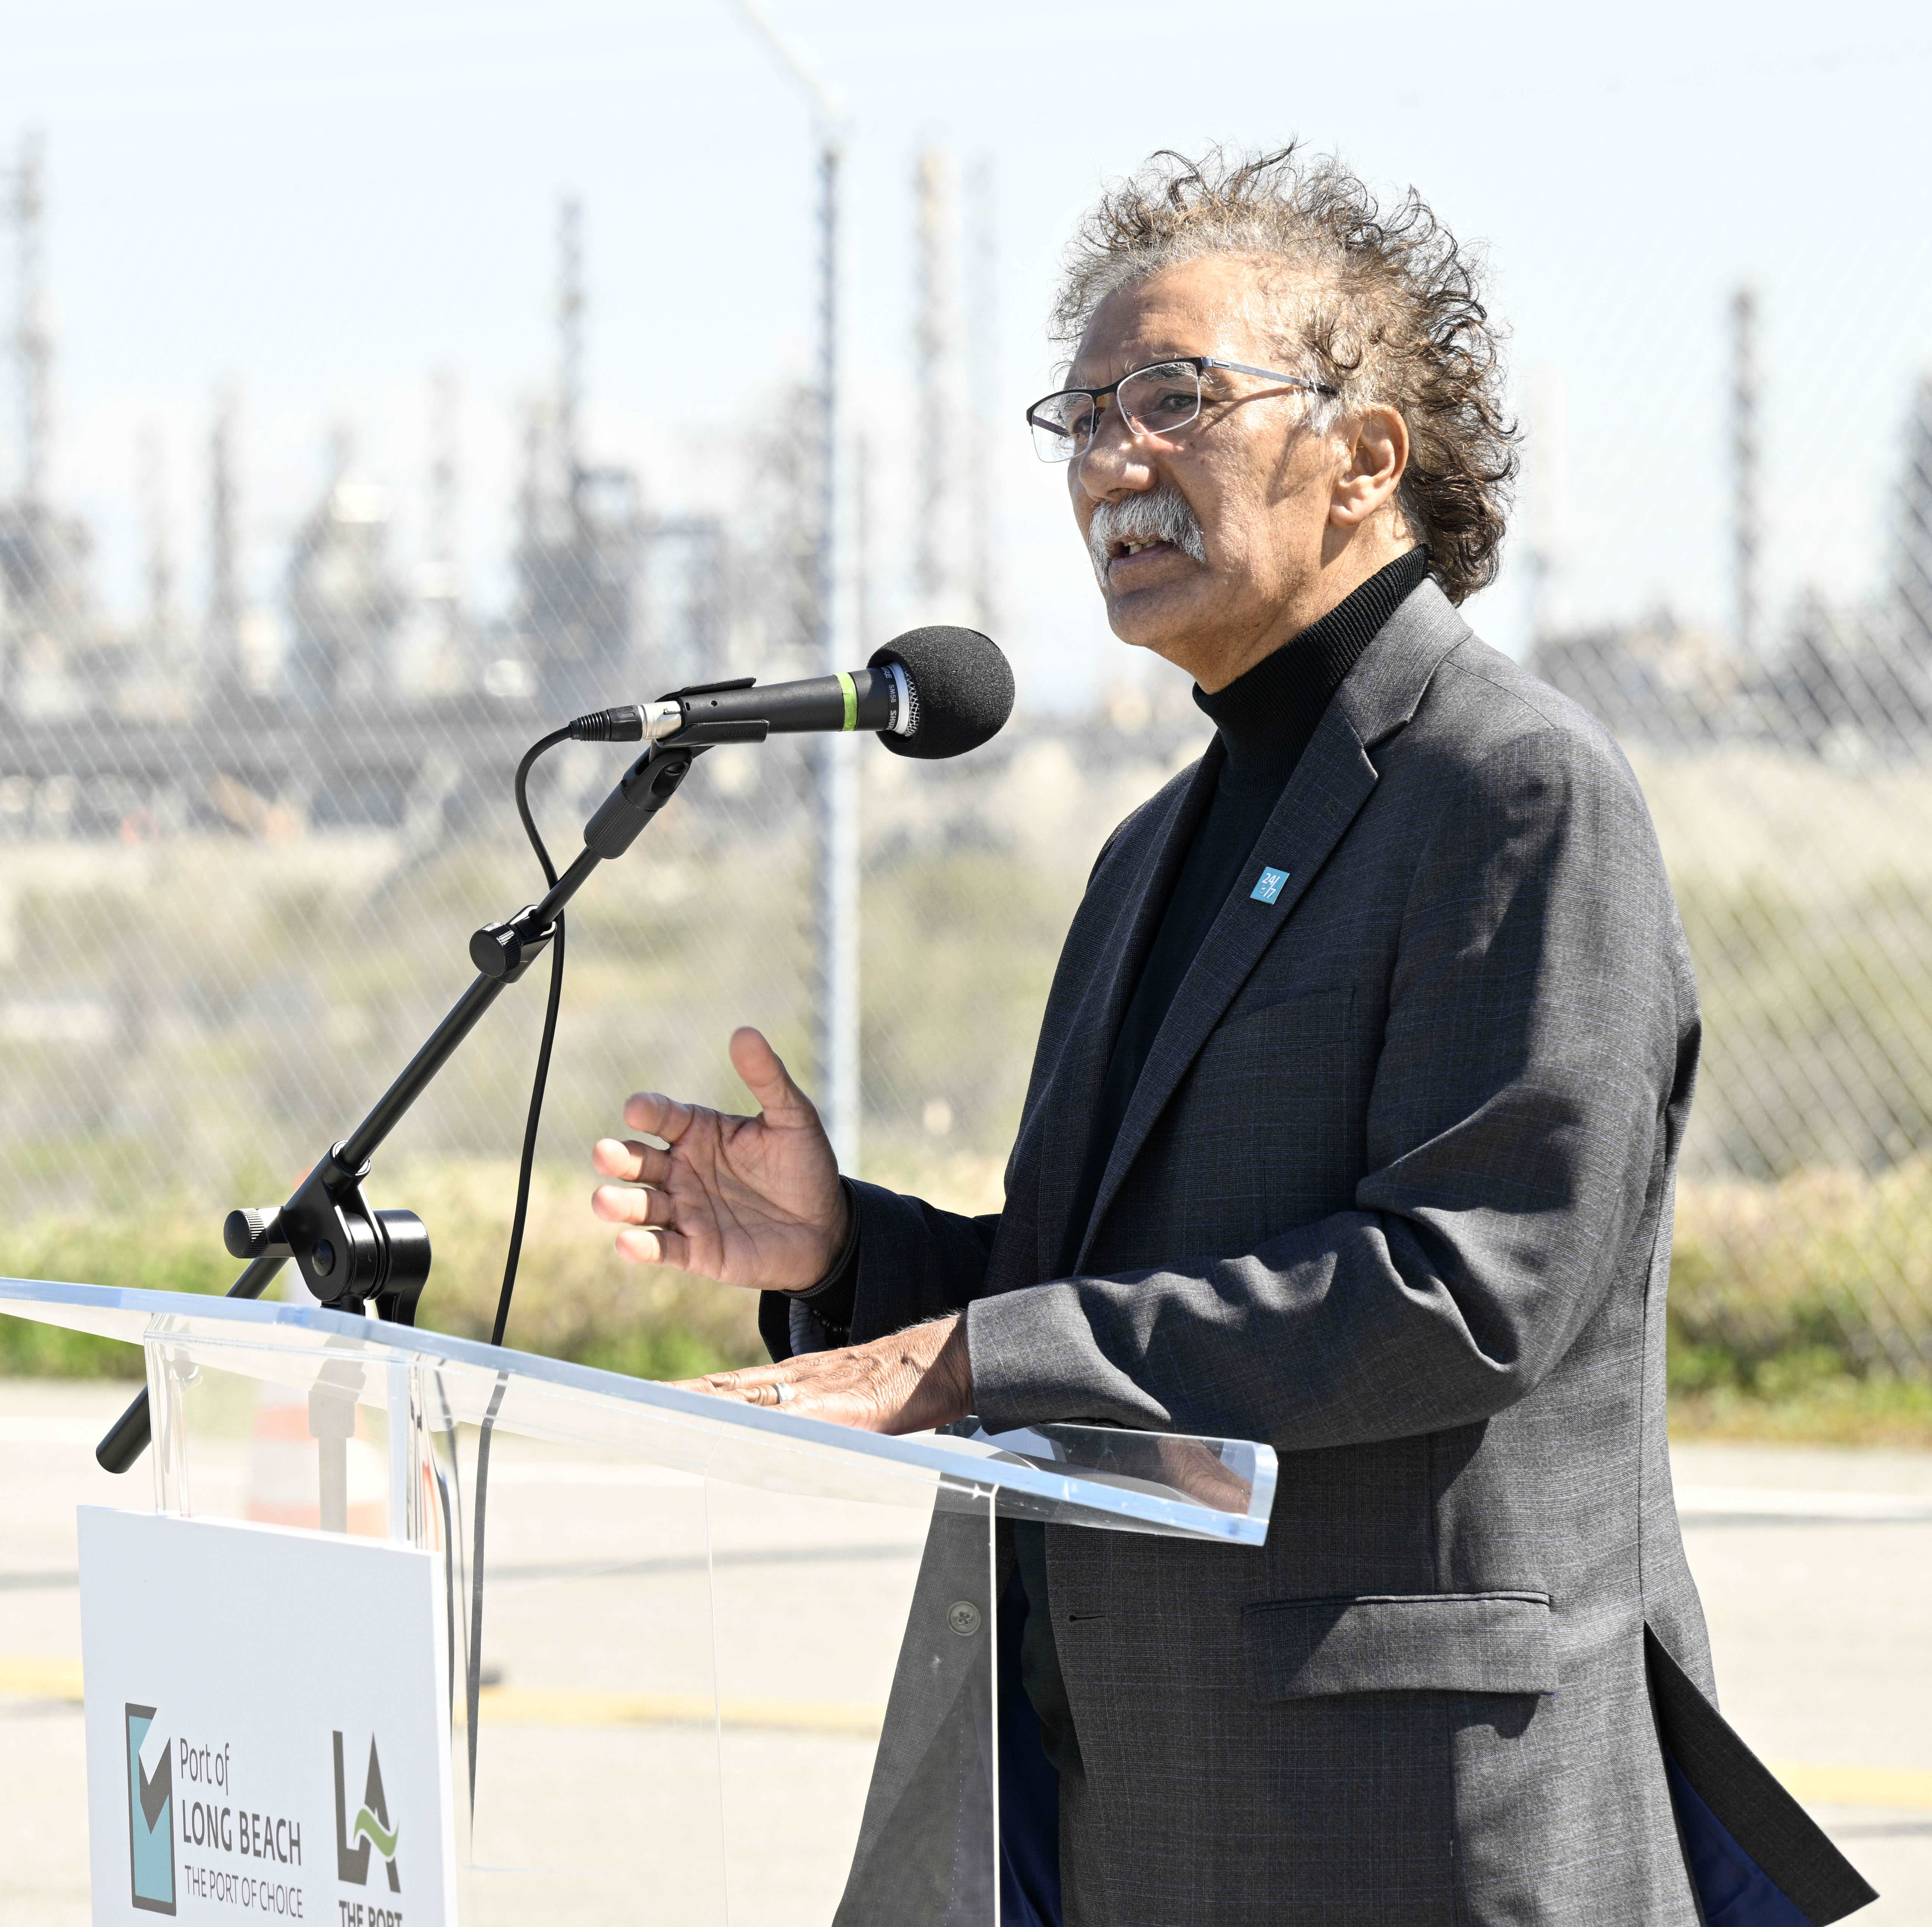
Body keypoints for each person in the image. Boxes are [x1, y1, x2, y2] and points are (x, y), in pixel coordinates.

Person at [589, 149, 1871, 1924]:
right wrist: (851, 1252)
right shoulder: (1148, 853)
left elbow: (1466, 1290)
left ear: (1363, 455)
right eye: (1084, 415)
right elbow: (1104, 1287)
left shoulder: (1510, 791)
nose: (1111, 459)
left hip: (1411, 1818)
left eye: (1175, 399)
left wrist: (978, 1356)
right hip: (1150, 1804)